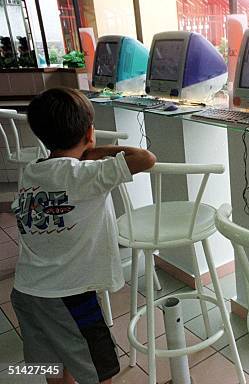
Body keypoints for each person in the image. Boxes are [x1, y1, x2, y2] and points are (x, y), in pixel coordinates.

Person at [10, 87, 156, 384]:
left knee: (51, 365)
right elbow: (145, 158)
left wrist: (85, 151)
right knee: (99, 370)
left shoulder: (31, 172)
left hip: (25, 292)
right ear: (90, 132)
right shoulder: (85, 176)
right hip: (69, 296)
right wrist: (96, 151)